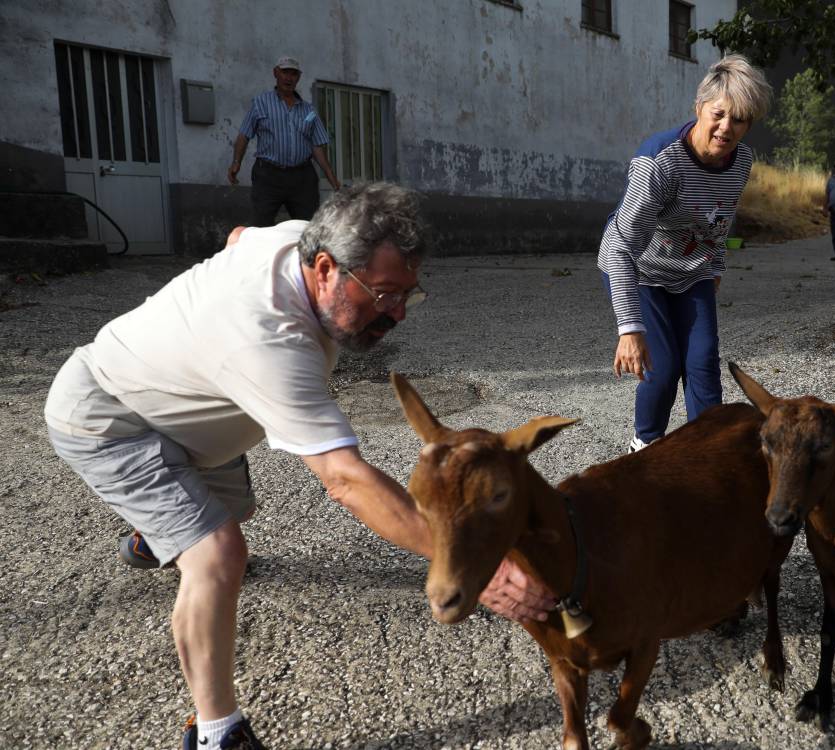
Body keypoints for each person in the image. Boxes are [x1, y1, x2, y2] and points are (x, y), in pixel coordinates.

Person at [44, 183, 554, 749]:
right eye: (385, 294)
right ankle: (216, 732)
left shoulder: (297, 240)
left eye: (409, 294)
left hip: (186, 412)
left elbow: (241, 236)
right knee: (219, 554)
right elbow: (345, 479)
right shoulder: (267, 339)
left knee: (233, 511)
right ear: (326, 269)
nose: (398, 313)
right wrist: (476, 568)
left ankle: (155, 536)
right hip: (115, 420)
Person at [597, 55, 773, 453]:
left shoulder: (741, 161)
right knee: (662, 368)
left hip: (692, 270)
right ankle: (645, 446)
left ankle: (709, 452)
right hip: (639, 268)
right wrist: (629, 329)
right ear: (699, 107)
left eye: (739, 120)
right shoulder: (658, 163)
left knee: (702, 363)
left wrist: (716, 265)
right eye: (719, 114)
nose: (726, 128)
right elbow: (621, 246)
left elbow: (721, 218)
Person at [227, 56, 342, 227]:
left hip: (302, 178)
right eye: (285, 72)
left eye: (293, 74)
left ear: (299, 77)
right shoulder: (261, 103)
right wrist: (236, 162)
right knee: (262, 226)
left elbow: (317, 146)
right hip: (268, 176)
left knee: (308, 227)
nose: (289, 78)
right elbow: (244, 135)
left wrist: (333, 179)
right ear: (276, 73)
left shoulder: (309, 110)